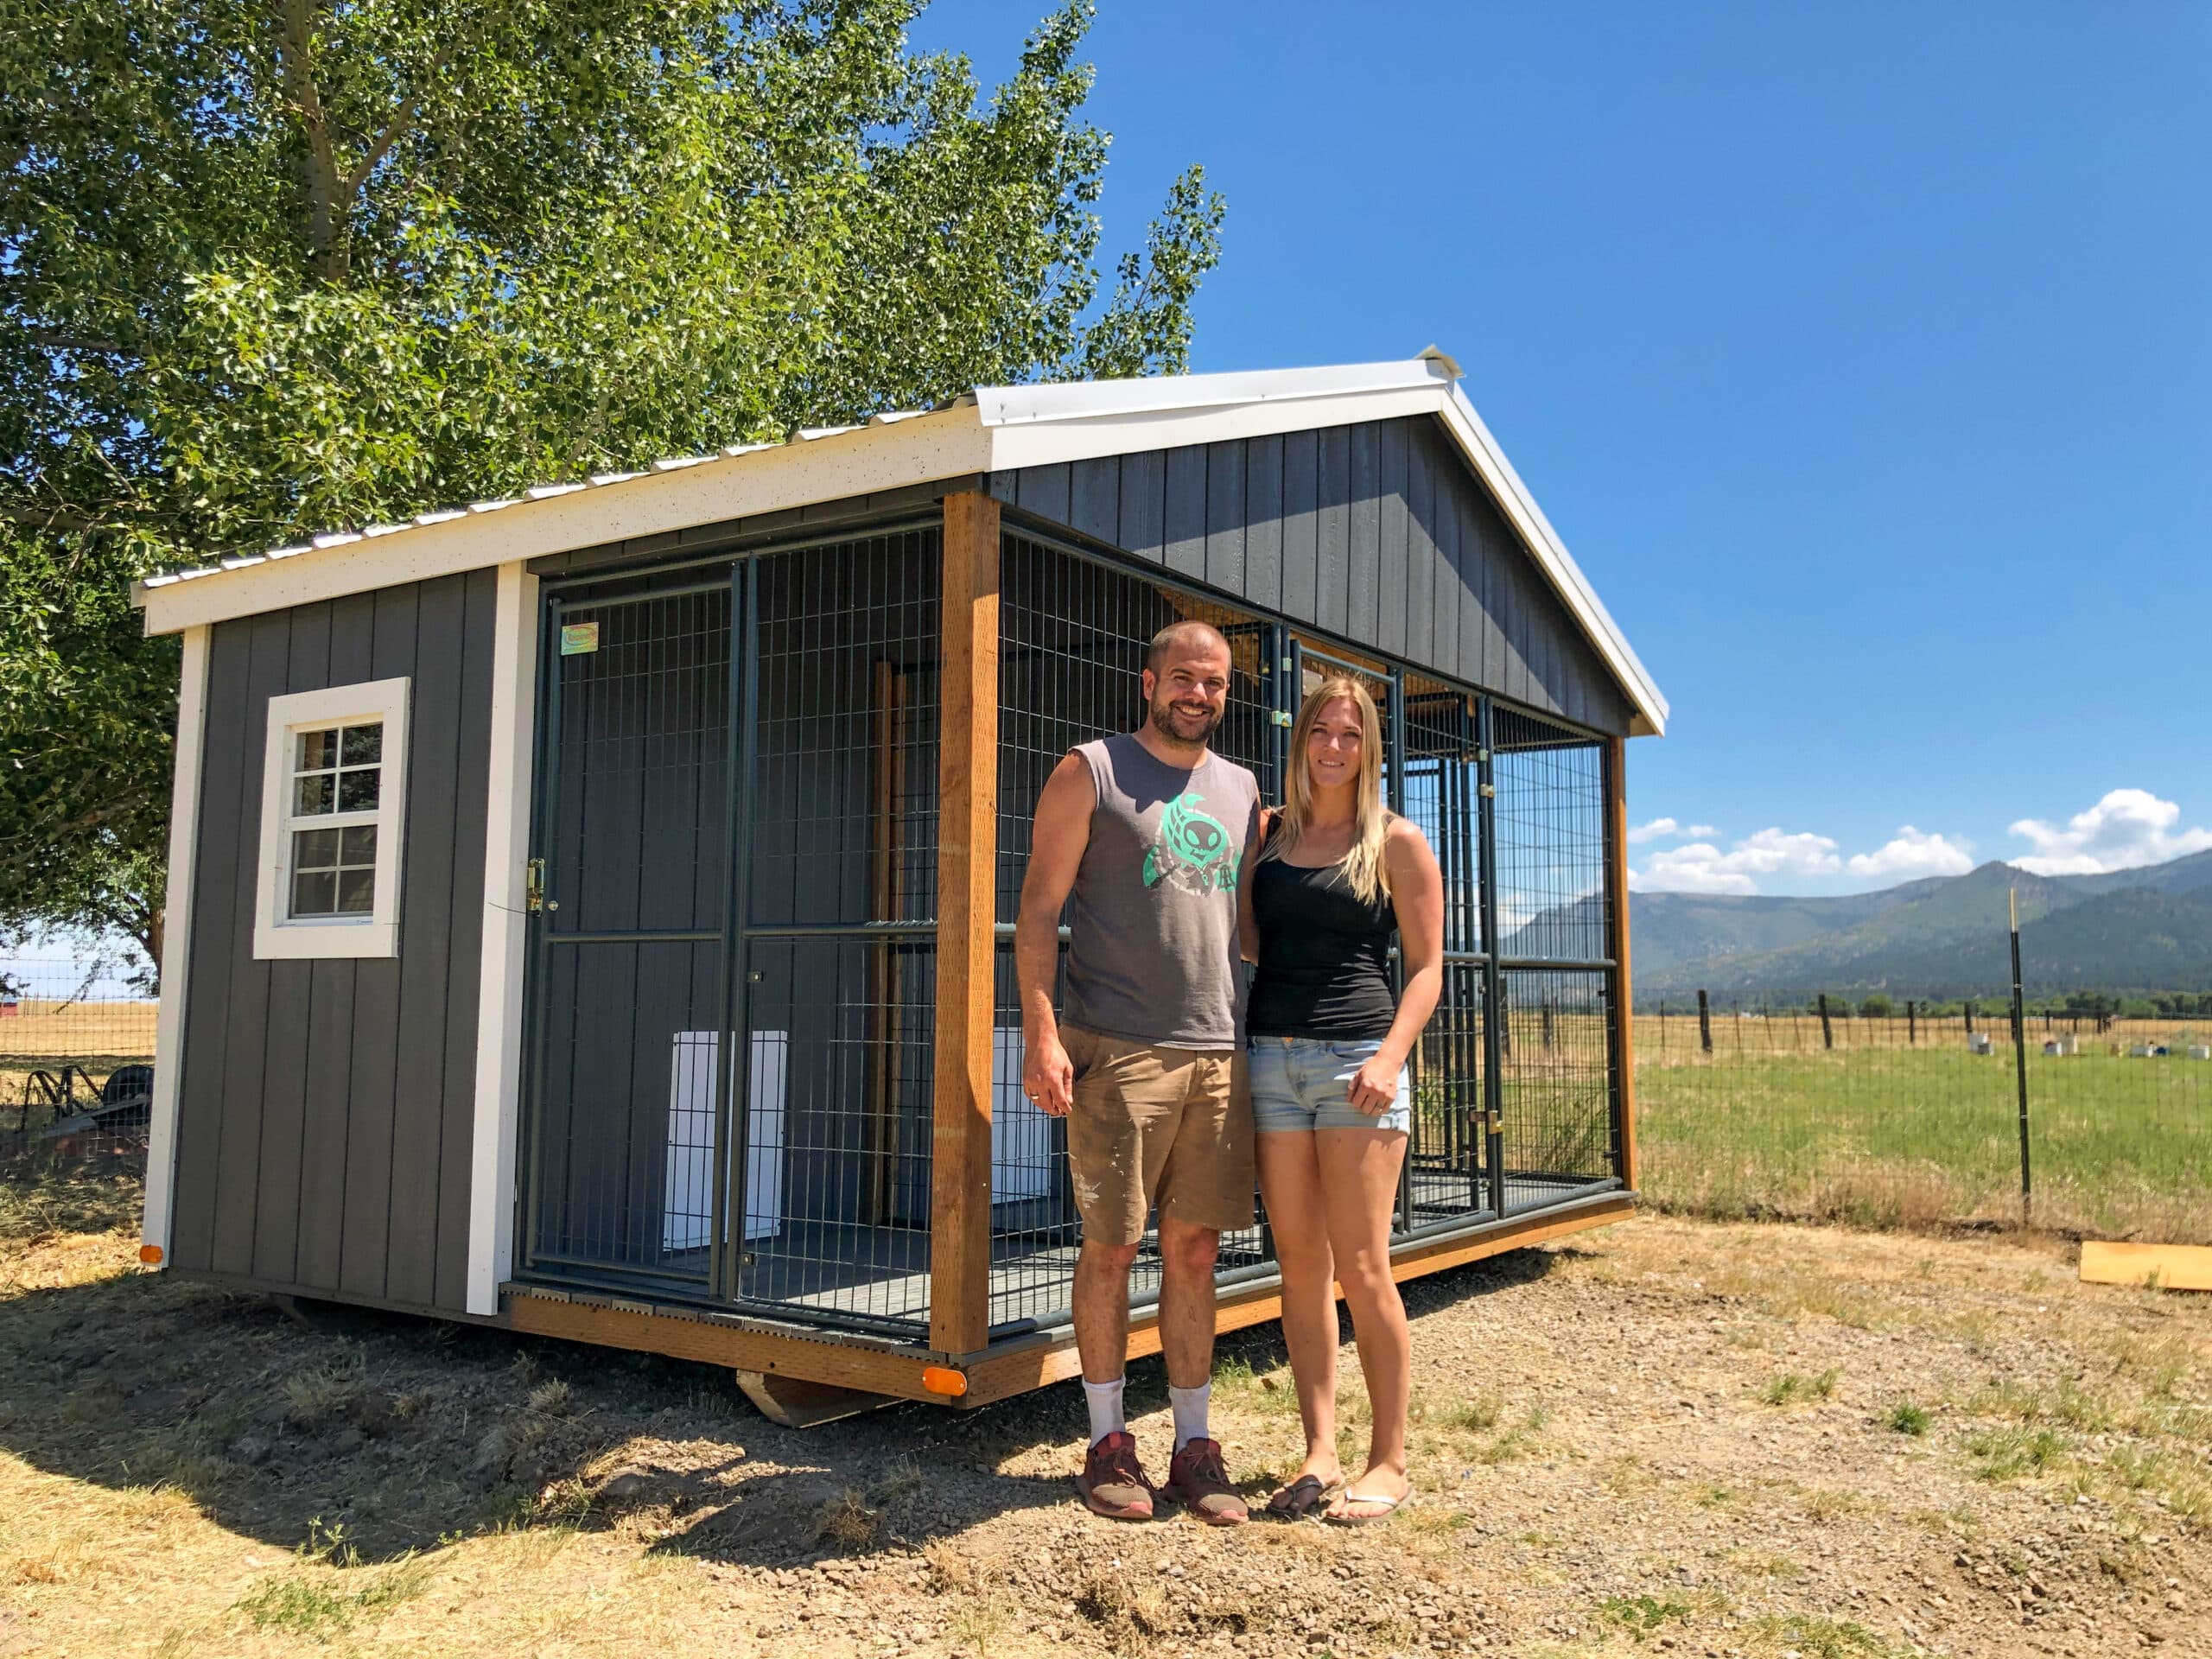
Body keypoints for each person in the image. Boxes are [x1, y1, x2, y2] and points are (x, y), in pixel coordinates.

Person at [1016, 620, 1262, 1525]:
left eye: (1216, 684)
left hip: (1216, 1052)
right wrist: (1040, 1034)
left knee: (1195, 1249)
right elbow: (1038, 912)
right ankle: (1106, 1443)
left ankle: (1195, 1447)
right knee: (1112, 1248)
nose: (1199, 695)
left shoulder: (1241, 787)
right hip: (1115, 1047)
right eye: (1184, 679)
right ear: (1148, 680)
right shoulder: (1091, 770)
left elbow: (1239, 928)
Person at [1242, 675, 1443, 1525]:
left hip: (1357, 1066)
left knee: (1362, 1268)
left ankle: (1388, 1460)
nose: (1332, 746)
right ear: (1300, 744)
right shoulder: (1268, 835)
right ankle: (1319, 1451)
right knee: (1299, 1268)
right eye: (1320, 731)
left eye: (1350, 734)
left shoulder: (1395, 841)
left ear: (1370, 749)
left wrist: (1391, 1057)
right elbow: (1247, 942)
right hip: (1270, 1064)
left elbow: (1430, 968)